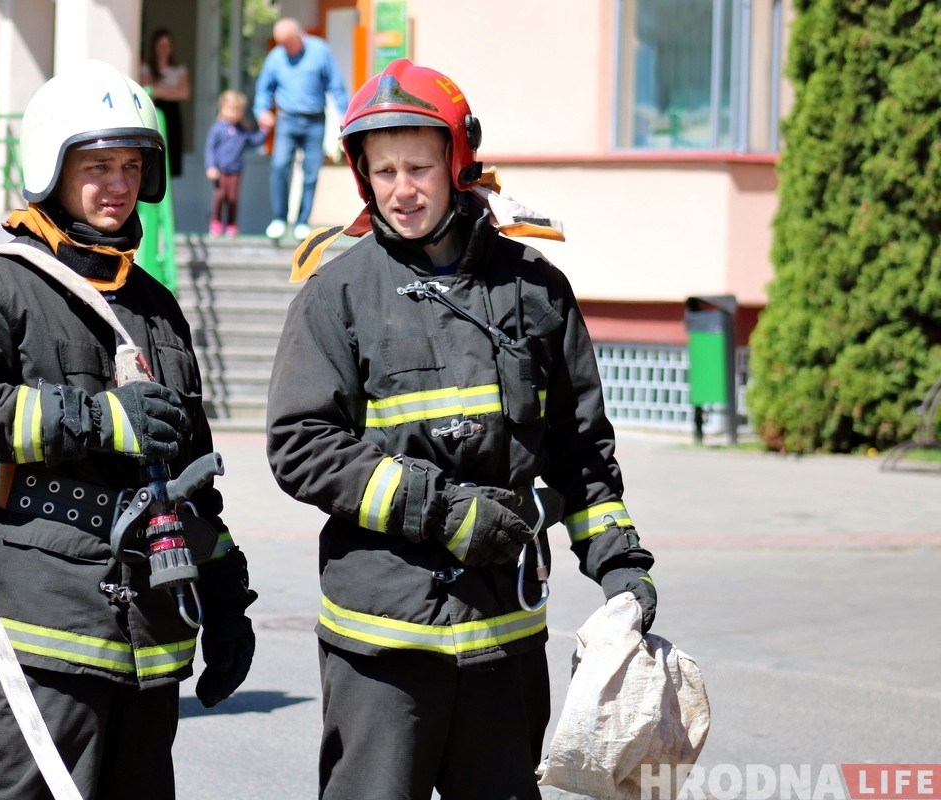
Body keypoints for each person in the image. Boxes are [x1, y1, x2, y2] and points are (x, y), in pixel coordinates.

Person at [265, 59, 657, 800]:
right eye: (383, 171)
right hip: (382, 640)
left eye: (418, 165)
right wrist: (436, 510)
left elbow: (580, 448)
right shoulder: (336, 292)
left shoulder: (533, 287)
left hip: (503, 633)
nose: (402, 189)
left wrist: (619, 564)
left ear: (457, 161)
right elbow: (301, 445)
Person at [0, 60, 257, 799]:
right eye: (96, 166)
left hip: (151, 631)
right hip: (43, 628)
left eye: (131, 166)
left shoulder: (155, 305)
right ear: (50, 169)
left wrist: (224, 592)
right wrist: (94, 419)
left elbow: (190, 472)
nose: (117, 185)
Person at [252, 17, 348, 242]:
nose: (284, 47)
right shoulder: (275, 58)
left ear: (299, 36)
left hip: (315, 120)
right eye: (280, 43)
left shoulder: (320, 51)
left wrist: (344, 112)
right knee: (279, 166)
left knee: (311, 172)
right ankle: (279, 218)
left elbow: (336, 84)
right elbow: (263, 89)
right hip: (287, 120)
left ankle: (303, 221)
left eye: (287, 42)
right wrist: (262, 111)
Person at [204, 89, 268, 237]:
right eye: (230, 109)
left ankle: (232, 223)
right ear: (222, 108)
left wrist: (265, 132)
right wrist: (211, 166)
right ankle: (216, 222)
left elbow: (254, 141)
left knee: (232, 198)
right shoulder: (217, 128)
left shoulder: (242, 130)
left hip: (235, 170)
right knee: (220, 196)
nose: (233, 114)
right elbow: (210, 149)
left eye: (237, 111)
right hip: (220, 170)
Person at [138, 28, 190, 178]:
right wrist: (172, 89)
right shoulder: (146, 68)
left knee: (171, 155)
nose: (164, 49)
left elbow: (184, 93)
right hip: (156, 111)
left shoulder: (179, 69)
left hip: (173, 116)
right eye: (160, 45)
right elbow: (148, 89)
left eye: (167, 45)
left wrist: (160, 89)